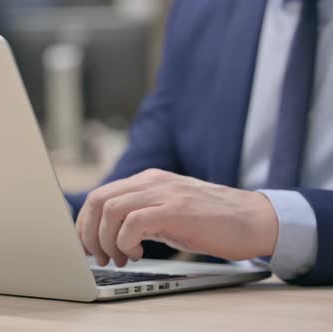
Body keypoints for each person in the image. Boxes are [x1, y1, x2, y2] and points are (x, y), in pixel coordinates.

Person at [65, 0, 332, 286]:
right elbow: (139, 196)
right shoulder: (201, 9)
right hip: (226, 308)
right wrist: (46, 215)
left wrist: (271, 222)